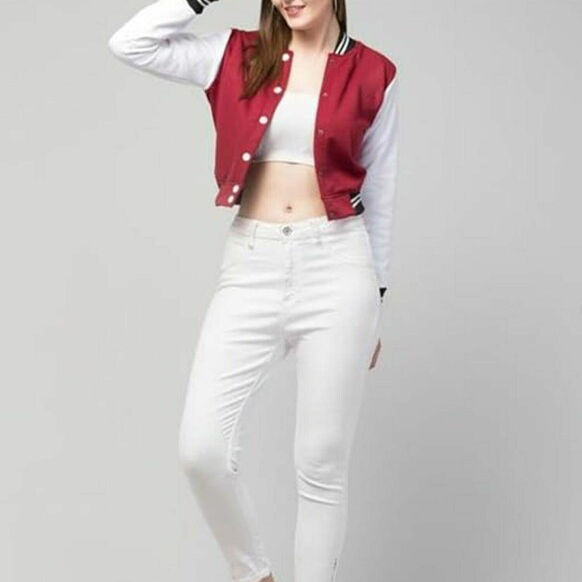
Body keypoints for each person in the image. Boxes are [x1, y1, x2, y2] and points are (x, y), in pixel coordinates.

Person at [108, 0, 399, 580]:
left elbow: (381, 193)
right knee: (202, 449)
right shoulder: (234, 53)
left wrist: (378, 301)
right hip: (251, 264)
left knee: (320, 463)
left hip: (339, 266)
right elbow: (130, 43)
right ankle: (254, 574)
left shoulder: (375, 73)